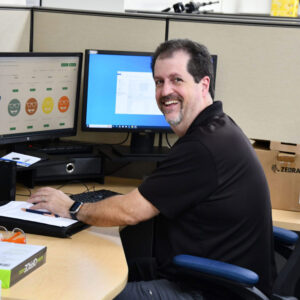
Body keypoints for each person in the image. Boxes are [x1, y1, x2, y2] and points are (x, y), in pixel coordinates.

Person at [28, 39, 275, 299]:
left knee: (92, 292)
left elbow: (130, 211)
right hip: (203, 274)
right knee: (93, 270)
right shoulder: (219, 127)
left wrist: (72, 207)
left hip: (213, 291)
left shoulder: (202, 146)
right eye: (159, 81)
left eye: (176, 80)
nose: (165, 91)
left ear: (203, 85)